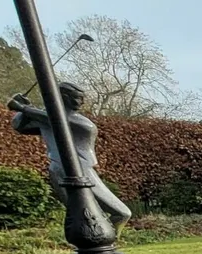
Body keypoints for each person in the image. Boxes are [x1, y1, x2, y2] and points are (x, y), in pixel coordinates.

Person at [7, 82, 131, 228]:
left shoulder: (81, 123)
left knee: (119, 214)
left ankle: (105, 239)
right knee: (88, 215)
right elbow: (19, 126)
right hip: (68, 170)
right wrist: (24, 110)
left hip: (79, 170)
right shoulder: (46, 119)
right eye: (78, 98)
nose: (82, 102)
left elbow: (59, 121)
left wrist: (23, 108)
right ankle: (99, 239)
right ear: (64, 97)